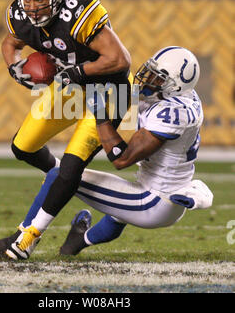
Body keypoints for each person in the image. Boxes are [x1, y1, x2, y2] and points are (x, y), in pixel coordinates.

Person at [0, 0, 132, 259]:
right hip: (71, 87)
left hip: (110, 90)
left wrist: (77, 72)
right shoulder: (21, 16)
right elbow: (10, 43)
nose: (32, 7)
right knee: (24, 146)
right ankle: (62, 178)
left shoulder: (78, 13)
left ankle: (28, 237)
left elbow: (120, 60)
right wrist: (13, 67)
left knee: (72, 165)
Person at [59, 45, 213, 255]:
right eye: (152, 72)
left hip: (157, 201)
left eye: (159, 77)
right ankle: (77, 242)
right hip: (163, 190)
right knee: (118, 213)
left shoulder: (172, 112)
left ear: (175, 86)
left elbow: (121, 159)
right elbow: (128, 95)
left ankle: (26, 237)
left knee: (58, 174)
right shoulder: (180, 96)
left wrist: (99, 111)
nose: (149, 78)